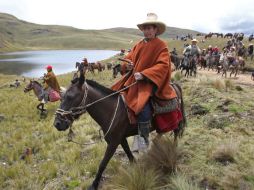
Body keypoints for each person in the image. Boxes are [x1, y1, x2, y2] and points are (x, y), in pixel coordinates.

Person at [111, 13, 176, 146]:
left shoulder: (161, 45)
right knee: (116, 95)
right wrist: (127, 65)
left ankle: (143, 138)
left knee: (142, 107)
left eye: (149, 28)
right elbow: (129, 58)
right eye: (145, 29)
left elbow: (163, 65)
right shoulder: (139, 44)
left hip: (150, 82)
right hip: (134, 81)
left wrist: (145, 74)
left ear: (156, 29)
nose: (147, 31)